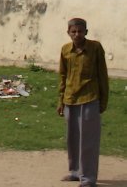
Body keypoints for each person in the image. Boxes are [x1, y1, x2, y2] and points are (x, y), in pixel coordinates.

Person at [57, 17, 109, 186]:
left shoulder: (95, 48)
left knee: (88, 141)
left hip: (90, 98)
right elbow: (63, 76)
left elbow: (102, 75)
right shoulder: (65, 50)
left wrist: (103, 101)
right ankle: (75, 172)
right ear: (68, 33)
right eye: (74, 31)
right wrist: (60, 100)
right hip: (70, 99)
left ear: (86, 32)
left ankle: (88, 178)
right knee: (73, 139)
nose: (77, 34)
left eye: (80, 31)